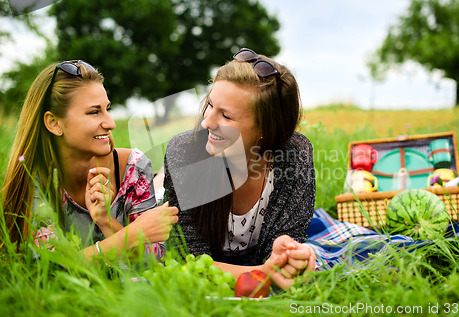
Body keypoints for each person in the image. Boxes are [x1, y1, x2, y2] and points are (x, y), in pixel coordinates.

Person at [163, 48, 316, 288]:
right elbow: (188, 260)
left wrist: (288, 253)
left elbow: (283, 250)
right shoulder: (184, 153)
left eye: (226, 116)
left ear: (265, 129)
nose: (207, 122)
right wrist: (262, 272)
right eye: (210, 105)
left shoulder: (295, 156)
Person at [1, 60, 178, 262]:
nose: (110, 123)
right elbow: (47, 266)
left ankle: (161, 176)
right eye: (94, 112)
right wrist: (131, 234)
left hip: (149, 187)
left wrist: (105, 221)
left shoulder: (133, 167)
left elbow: (153, 262)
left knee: (162, 183)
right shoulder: (33, 177)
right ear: (54, 123)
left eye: (107, 109)